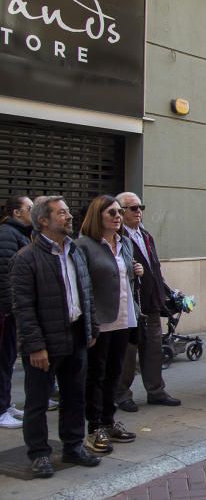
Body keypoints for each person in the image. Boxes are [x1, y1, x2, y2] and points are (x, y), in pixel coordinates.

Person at [11, 196, 102, 477]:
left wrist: (92, 327)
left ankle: (73, 446)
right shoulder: (26, 258)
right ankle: (39, 453)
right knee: (37, 401)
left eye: (68, 212)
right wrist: (36, 346)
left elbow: (86, 292)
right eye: (61, 213)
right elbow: (23, 307)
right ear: (43, 221)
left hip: (75, 335)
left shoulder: (75, 251)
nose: (69, 217)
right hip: (44, 342)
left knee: (75, 395)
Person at [74, 195, 141, 454]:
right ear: (97, 216)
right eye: (111, 213)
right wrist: (89, 323)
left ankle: (109, 421)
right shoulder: (84, 246)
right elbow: (83, 287)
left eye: (118, 212)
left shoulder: (123, 243)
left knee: (115, 373)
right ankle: (94, 426)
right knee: (96, 375)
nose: (117, 216)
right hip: (100, 320)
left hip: (124, 317)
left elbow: (124, 277)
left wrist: (136, 272)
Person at [114, 192, 181, 413]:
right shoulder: (117, 237)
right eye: (132, 208)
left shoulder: (145, 235)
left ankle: (156, 390)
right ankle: (122, 394)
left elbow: (155, 267)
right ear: (120, 211)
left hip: (151, 303)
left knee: (153, 349)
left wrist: (165, 293)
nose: (138, 211)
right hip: (131, 306)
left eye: (140, 207)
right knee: (128, 354)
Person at [1, 195, 32, 430]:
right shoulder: (7, 234)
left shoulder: (18, 234)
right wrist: (10, 308)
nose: (33, 211)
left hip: (10, 311)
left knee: (9, 358)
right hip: (5, 311)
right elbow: (6, 275)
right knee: (3, 358)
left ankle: (5, 403)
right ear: (16, 212)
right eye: (29, 208)